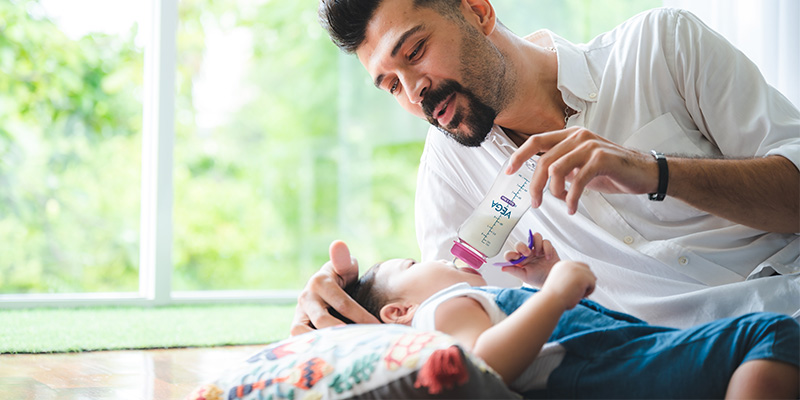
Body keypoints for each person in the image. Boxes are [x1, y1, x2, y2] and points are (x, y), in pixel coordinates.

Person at [292, 0, 800, 334]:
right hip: (654, 368)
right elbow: (445, 319)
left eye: (416, 52)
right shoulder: (450, 168)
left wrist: (654, 171)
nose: (414, 90)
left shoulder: (661, 48)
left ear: (477, 11)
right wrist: (342, 308)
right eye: (391, 85)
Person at [332, 236, 800, 399]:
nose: (429, 259)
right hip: (603, 374)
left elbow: (553, 342)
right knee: (768, 332)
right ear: (400, 311)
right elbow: (484, 365)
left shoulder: (477, 302)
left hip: (606, 364)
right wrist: (552, 295)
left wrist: (542, 280)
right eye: (412, 265)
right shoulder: (438, 309)